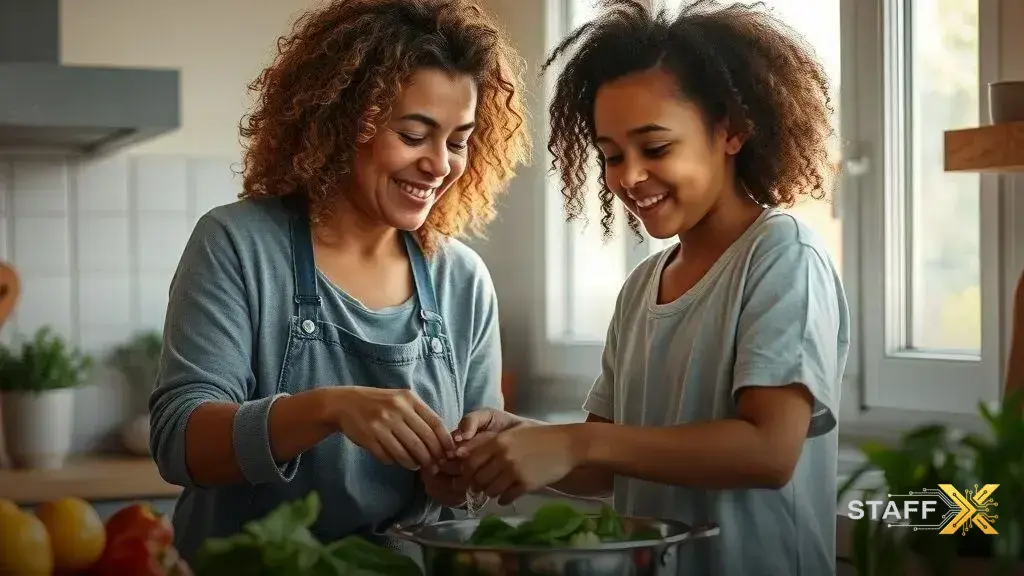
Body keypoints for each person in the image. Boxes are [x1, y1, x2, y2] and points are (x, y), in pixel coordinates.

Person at [452, 0, 851, 574]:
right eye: (611, 156)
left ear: (731, 129)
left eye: (656, 147)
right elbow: (606, 464)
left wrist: (574, 444)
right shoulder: (642, 286)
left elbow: (768, 451)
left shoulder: (783, 256)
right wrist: (523, 439)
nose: (629, 177)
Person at [148, 0, 530, 564]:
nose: (441, 165)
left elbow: (468, 488)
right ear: (345, 119)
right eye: (414, 133)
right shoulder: (237, 243)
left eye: (456, 141)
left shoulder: (462, 279)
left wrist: (463, 476)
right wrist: (328, 409)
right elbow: (180, 443)